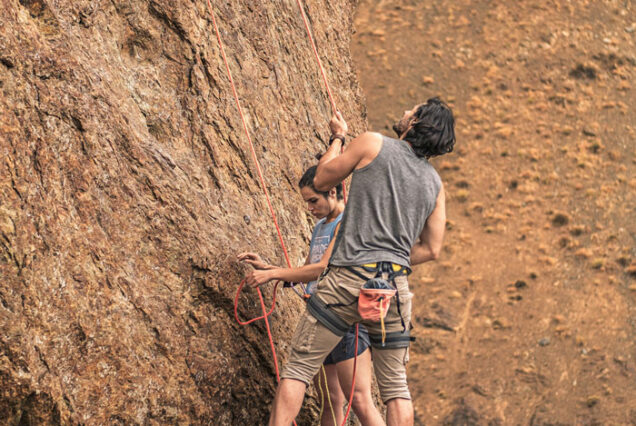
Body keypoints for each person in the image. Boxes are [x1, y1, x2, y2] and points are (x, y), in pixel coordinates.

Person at [268, 97, 455, 426]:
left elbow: (323, 178)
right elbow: (431, 249)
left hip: (348, 277)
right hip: (394, 287)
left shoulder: (372, 143)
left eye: (412, 108)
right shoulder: (435, 186)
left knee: (299, 368)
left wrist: (338, 137)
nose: (406, 109)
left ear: (416, 122)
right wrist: (390, 256)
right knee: (396, 387)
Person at [237, 165, 384, 426]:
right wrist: (269, 268)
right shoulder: (320, 227)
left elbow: (321, 268)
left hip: (346, 319)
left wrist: (274, 275)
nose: (310, 208)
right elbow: (306, 270)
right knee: (331, 400)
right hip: (321, 316)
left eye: (314, 200)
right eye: (307, 202)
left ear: (335, 192)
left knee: (359, 399)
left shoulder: (349, 222)